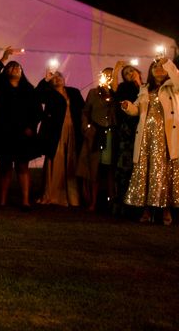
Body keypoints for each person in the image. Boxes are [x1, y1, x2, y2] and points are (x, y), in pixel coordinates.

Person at [121, 57, 179, 225]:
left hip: (166, 137)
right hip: (147, 136)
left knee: (164, 171)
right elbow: (137, 109)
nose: (158, 69)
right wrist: (128, 106)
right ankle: (147, 211)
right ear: (150, 71)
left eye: (162, 67)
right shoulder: (145, 89)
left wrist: (167, 62)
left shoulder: (172, 88)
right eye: (155, 67)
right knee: (147, 172)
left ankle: (166, 211)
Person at [0, 46, 42, 211]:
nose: (15, 68)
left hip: (23, 134)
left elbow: (37, 111)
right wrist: (4, 58)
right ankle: (2, 201)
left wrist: (31, 127)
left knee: (23, 167)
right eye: (11, 67)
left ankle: (25, 201)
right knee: (5, 167)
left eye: (18, 67)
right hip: (3, 133)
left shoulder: (29, 90)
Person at [35, 69, 84, 206]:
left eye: (59, 77)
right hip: (55, 132)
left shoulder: (74, 92)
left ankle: (73, 197)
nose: (57, 79)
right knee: (56, 158)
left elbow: (82, 109)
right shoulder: (48, 93)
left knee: (71, 160)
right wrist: (45, 80)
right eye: (54, 78)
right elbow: (36, 96)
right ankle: (52, 193)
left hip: (73, 130)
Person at [76, 67, 117, 212]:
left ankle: (112, 201)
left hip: (112, 135)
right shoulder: (93, 93)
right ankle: (92, 202)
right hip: (96, 134)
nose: (109, 77)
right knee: (94, 169)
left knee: (111, 169)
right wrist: (86, 128)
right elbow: (86, 111)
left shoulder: (118, 94)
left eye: (112, 76)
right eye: (106, 75)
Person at [112, 61, 143, 216]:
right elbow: (114, 89)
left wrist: (139, 82)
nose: (130, 73)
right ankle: (121, 202)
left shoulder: (146, 86)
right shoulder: (124, 88)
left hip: (143, 127)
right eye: (126, 73)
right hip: (128, 129)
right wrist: (117, 70)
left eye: (131, 71)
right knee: (125, 164)